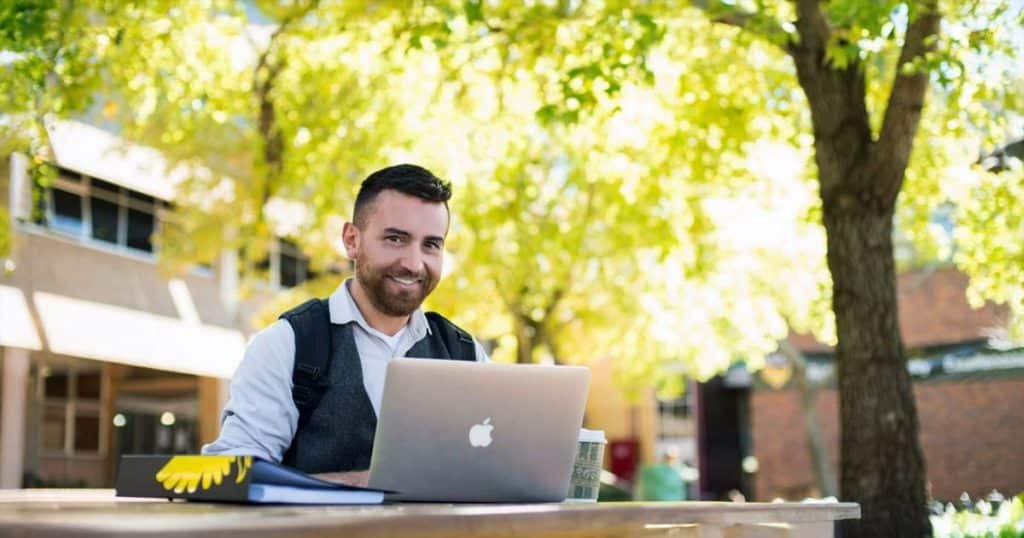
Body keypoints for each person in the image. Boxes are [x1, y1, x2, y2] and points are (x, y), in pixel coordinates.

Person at [203, 164, 489, 482]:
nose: (413, 263)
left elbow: (494, 466)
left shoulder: (466, 353)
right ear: (352, 240)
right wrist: (362, 482)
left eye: (431, 244)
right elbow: (234, 474)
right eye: (395, 239)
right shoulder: (288, 344)